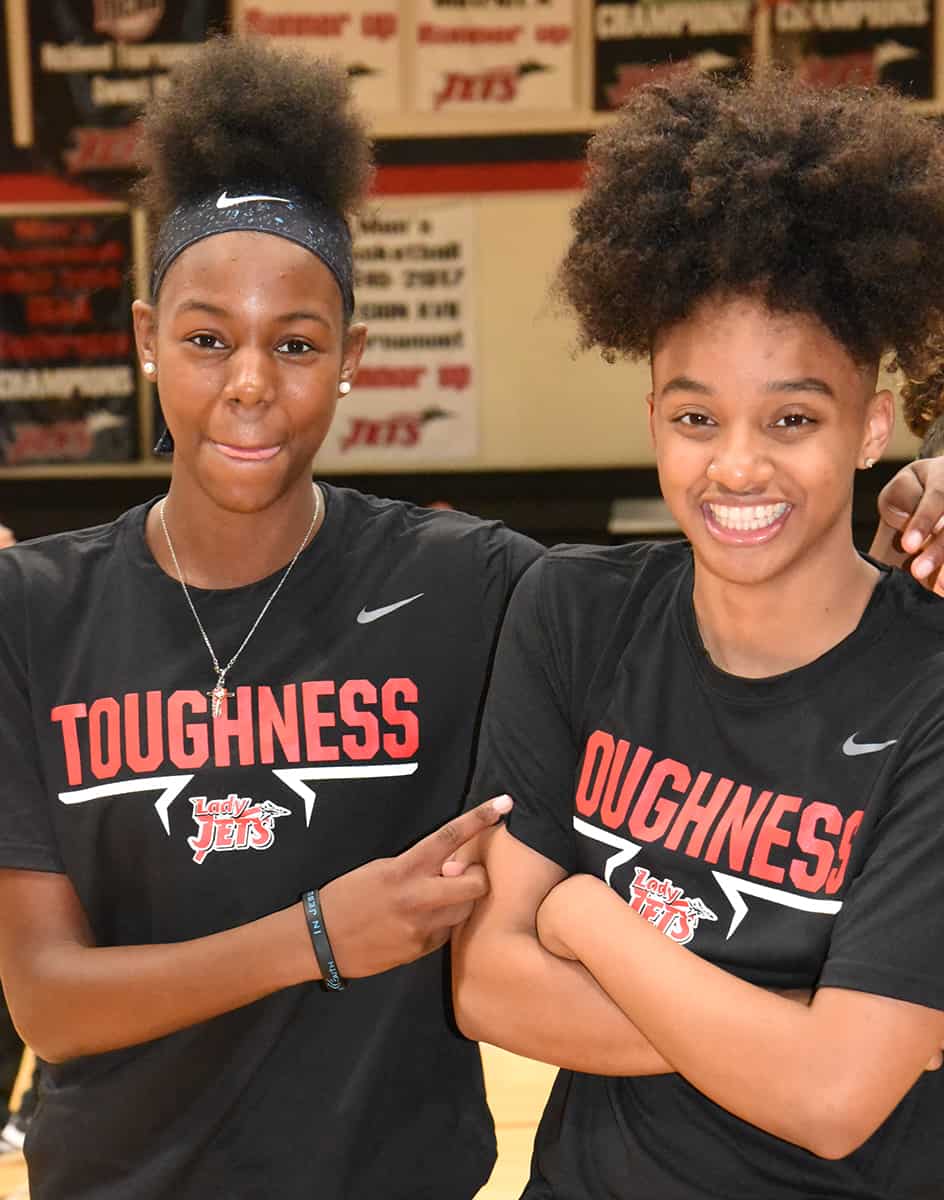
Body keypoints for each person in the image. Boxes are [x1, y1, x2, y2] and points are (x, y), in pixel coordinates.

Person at [0, 38, 538, 1200]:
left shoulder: (466, 587)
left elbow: (724, 616)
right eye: (206, 340)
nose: (249, 382)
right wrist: (319, 934)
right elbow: (47, 997)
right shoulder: (32, 612)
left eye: (294, 345)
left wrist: (907, 516)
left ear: (349, 358)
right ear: (146, 340)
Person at [454, 72, 944, 1198]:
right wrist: (799, 1037)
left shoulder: (924, 686)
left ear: (870, 421)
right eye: (693, 417)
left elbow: (830, 1109)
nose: (734, 466)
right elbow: (485, 982)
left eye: (789, 418)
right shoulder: (573, 614)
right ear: (650, 421)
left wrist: (584, 916)